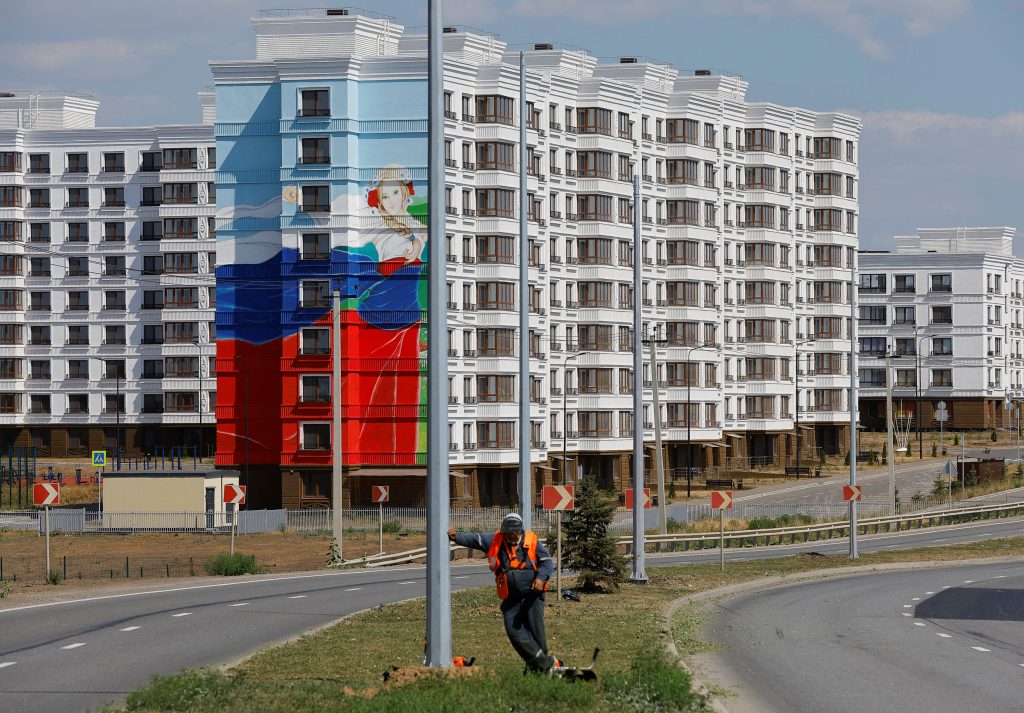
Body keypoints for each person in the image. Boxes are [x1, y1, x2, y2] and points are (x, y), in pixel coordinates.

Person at [448, 513, 558, 672]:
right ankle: (546, 664)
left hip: (532, 596)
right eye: (509, 533)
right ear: (504, 531)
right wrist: (456, 537)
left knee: (536, 633)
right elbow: (475, 539)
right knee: (514, 631)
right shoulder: (495, 539)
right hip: (511, 597)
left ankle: (538, 669)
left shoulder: (532, 541)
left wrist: (541, 578)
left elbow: (547, 563)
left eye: (515, 533)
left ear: (520, 531)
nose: (512, 536)